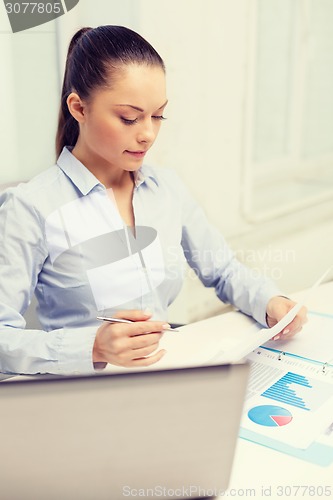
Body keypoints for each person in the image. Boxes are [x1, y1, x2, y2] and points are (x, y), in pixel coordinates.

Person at [0, 25, 307, 375]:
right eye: (129, 118)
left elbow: (222, 269)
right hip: (83, 396)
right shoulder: (29, 208)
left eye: (158, 115)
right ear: (79, 108)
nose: (147, 134)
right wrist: (93, 346)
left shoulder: (167, 188)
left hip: (167, 374)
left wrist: (270, 301)